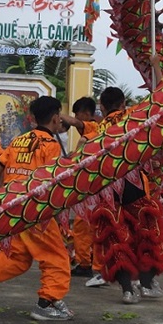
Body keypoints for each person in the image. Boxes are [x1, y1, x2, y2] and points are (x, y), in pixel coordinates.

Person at [0, 96, 74, 321]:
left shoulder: (18, 140)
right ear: (56, 118)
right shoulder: (51, 145)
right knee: (56, 256)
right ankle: (47, 303)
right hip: (36, 210)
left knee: (19, 258)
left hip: (12, 207)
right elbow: (52, 181)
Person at [87, 86, 163, 304]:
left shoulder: (97, 130)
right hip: (133, 184)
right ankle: (146, 284)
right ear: (123, 103)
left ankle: (127, 290)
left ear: (102, 107)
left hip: (106, 188)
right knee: (148, 232)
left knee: (115, 238)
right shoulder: (132, 117)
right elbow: (161, 103)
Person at [68, 96, 99, 277]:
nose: (76, 118)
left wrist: (56, 115)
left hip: (89, 185)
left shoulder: (93, 128)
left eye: (77, 114)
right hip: (97, 184)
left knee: (82, 224)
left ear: (86, 114)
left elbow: (76, 124)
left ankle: (84, 263)